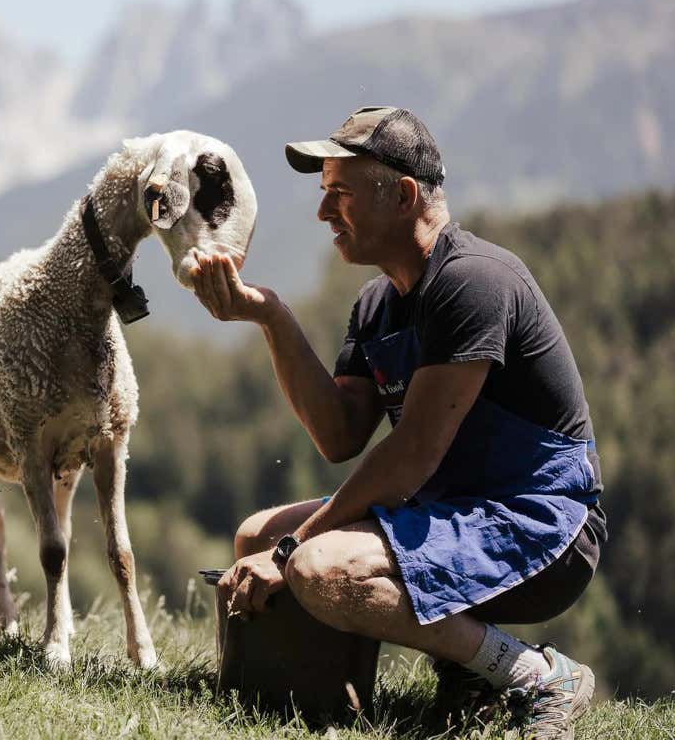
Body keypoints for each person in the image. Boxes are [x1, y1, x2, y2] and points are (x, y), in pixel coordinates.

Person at [190, 106, 606, 739]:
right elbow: (338, 436)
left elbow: (411, 456)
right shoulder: (378, 303)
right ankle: (335, 695)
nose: (324, 213)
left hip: (544, 525)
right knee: (254, 537)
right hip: (454, 508)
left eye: (341, 193)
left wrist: (294, 547)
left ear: (405, 195)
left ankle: (532, 675)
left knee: (314, 565)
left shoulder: (474, 282)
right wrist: (271, 316)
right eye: (323, 193)